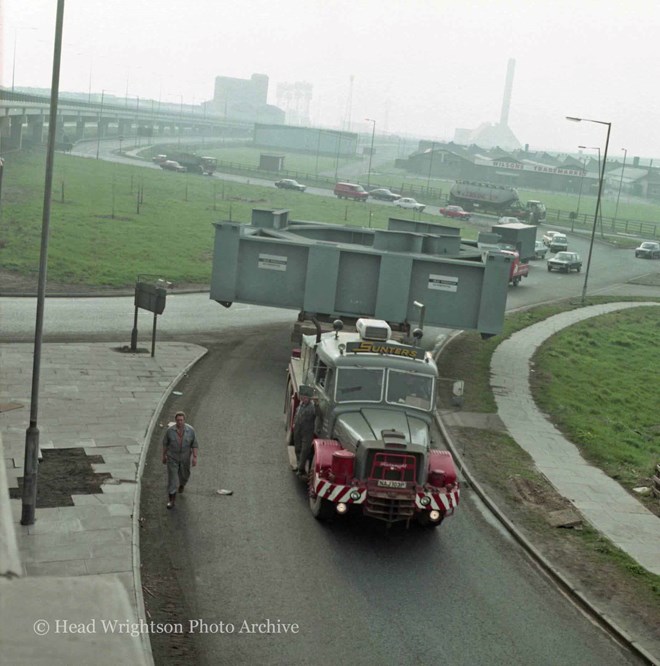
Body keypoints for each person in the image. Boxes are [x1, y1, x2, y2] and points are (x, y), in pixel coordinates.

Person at [162, 411, 198, 509]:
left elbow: (194, 445)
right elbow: (165, 444)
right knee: (172, 479)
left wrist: (194, 457)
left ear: (184, 420)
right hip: (172, 458)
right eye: (178, 420)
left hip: (185, 459)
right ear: (175, 421)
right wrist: (164, 455)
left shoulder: (190, 431)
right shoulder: (170, 431)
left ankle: (182, 484)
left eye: (181, 420)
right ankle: (171, 500)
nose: (180, 422)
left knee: (185, 475)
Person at [293, 386, 320, 479]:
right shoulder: (301, 404)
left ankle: (301, 469)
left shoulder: (312, 407)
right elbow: (297, 414)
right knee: (297, 448)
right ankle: (298, 466)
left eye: (305, 398)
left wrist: (317, 404)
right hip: (298, 429)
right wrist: (294, 424)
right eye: (302, 397)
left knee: (305, 450)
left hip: (307, 431)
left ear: (309, 398)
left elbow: (318, 413)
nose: (303, 399)